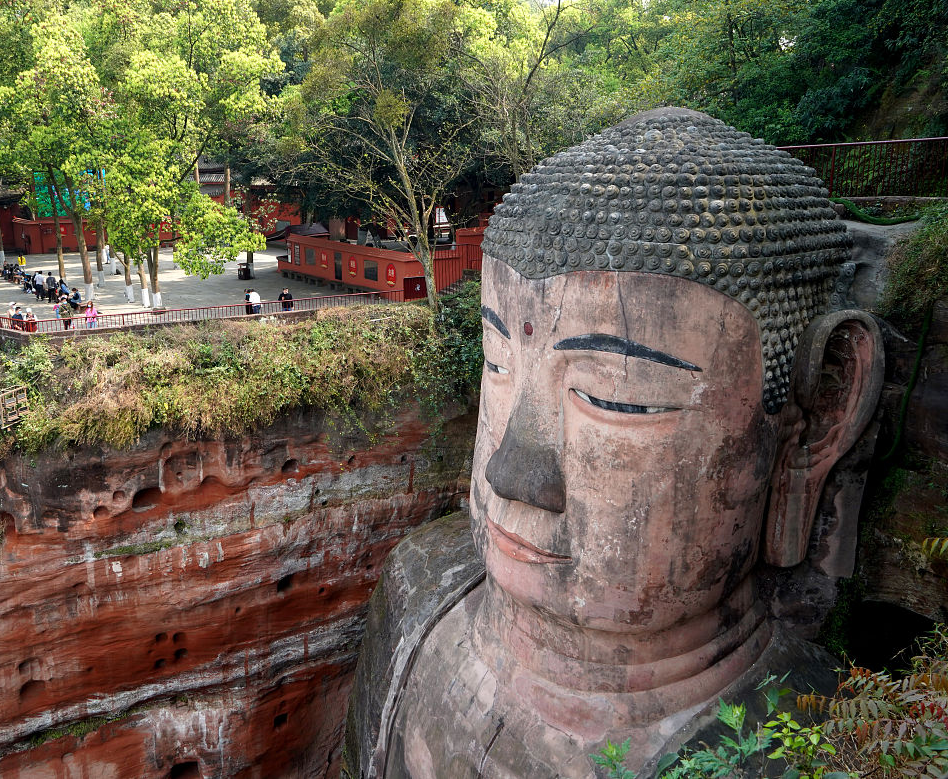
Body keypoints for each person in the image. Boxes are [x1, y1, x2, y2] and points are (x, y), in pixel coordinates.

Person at [345, 108, 885, 779]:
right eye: (495, 361)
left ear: (824, 412)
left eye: (615, 397)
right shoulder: (417, 597)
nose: (512, 473)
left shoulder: (824, 744)